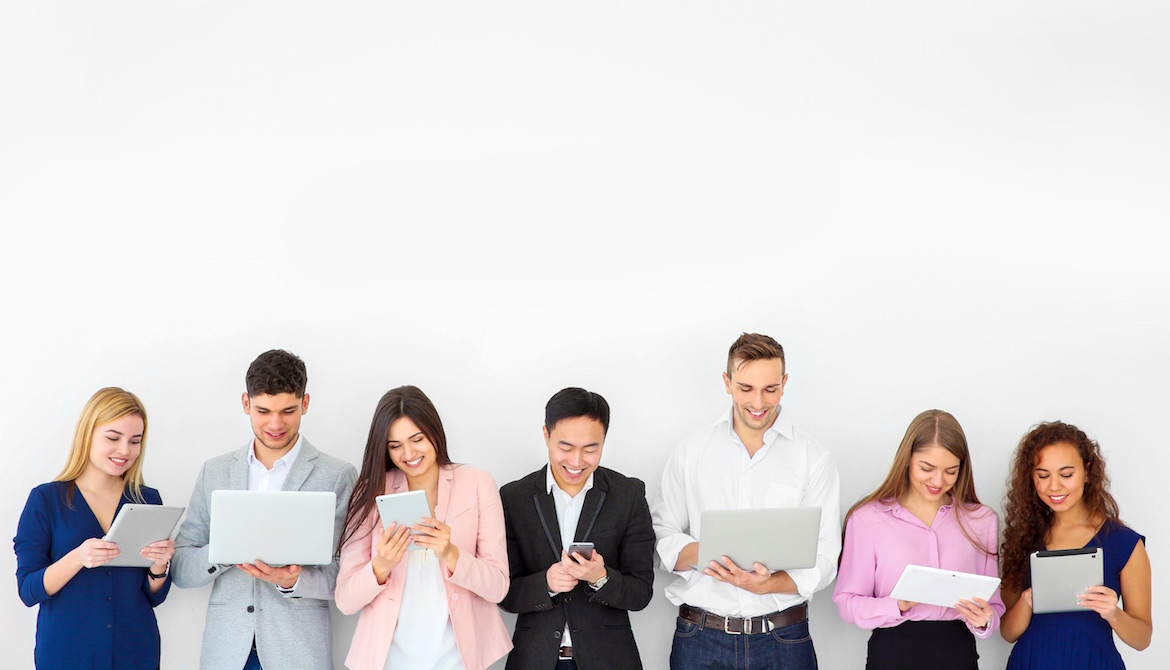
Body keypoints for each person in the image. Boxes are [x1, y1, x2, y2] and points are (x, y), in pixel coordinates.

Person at [651, 332, 841, 670]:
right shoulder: (691, 452)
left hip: (784, 638)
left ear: (784, 384)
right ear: (727, 382)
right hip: (701, 638)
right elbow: (662, 536)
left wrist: (770, 584)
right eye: (745, 388)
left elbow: (825, 556)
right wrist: (711, 554)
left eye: (769, 389)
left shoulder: (813, 458)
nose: (758, 402)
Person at [171, 349, 357, 670]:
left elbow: (347, 572)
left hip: (298, 652)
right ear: (246, 403)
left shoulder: (337, 475)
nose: (275, 423)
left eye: (288, 410)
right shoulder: (213, 472)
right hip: (226, 652)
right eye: (263, 410)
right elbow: (182, 570)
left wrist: (292, 581)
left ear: (305, 403)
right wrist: (224, 551)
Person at [335, 385, 512, 670]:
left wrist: (452, 554)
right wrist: (381, 565)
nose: (409, 453)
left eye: (417, 439)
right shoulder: (370, 492)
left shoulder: (477, 483)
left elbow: (498, 588)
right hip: (388, 660)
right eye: (395, 445)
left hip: (460, 658)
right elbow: (345, 601)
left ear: (435, 432)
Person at [14, 387, 174, 670]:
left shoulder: (147, 500)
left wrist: (159, 567)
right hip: (67, 653)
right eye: (113, 438)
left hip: (135, 652)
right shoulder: (46, 500)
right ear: (87, 434)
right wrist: (77, 558)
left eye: (135, 441)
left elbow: (154, 596)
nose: (125, 450)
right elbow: (28, 590)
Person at [833, 409, 1004, 669]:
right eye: (927, 468)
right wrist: (899, 603)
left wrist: (985, 620)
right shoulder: (867, 519)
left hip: (958, 654)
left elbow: (994, 605)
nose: (938, 480)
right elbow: (847, 603)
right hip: (892, 654)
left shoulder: (982, 520)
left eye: (951, 471)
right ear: (907, 460)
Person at [500, 387, 656, 670]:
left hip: (609, 660)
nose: (576, 461)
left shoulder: (628, 494)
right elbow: (504, 591)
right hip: (535, 660)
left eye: (590, 449)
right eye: (565, 447)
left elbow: (641, 592)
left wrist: (601, 577)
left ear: (604, 441)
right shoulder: (514, 498)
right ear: (546, 435)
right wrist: (545, 583)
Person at [1000, 421, 1152, 668]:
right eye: (1042, 475)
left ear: (1088, 472)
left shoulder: (1123, 542)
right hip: (1031, 661)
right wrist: (1027, 600)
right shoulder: (1022, 540)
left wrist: (1112, 612)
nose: (1054, 486)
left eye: (1066, 474)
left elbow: (1142, 638)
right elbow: (1007, 633)